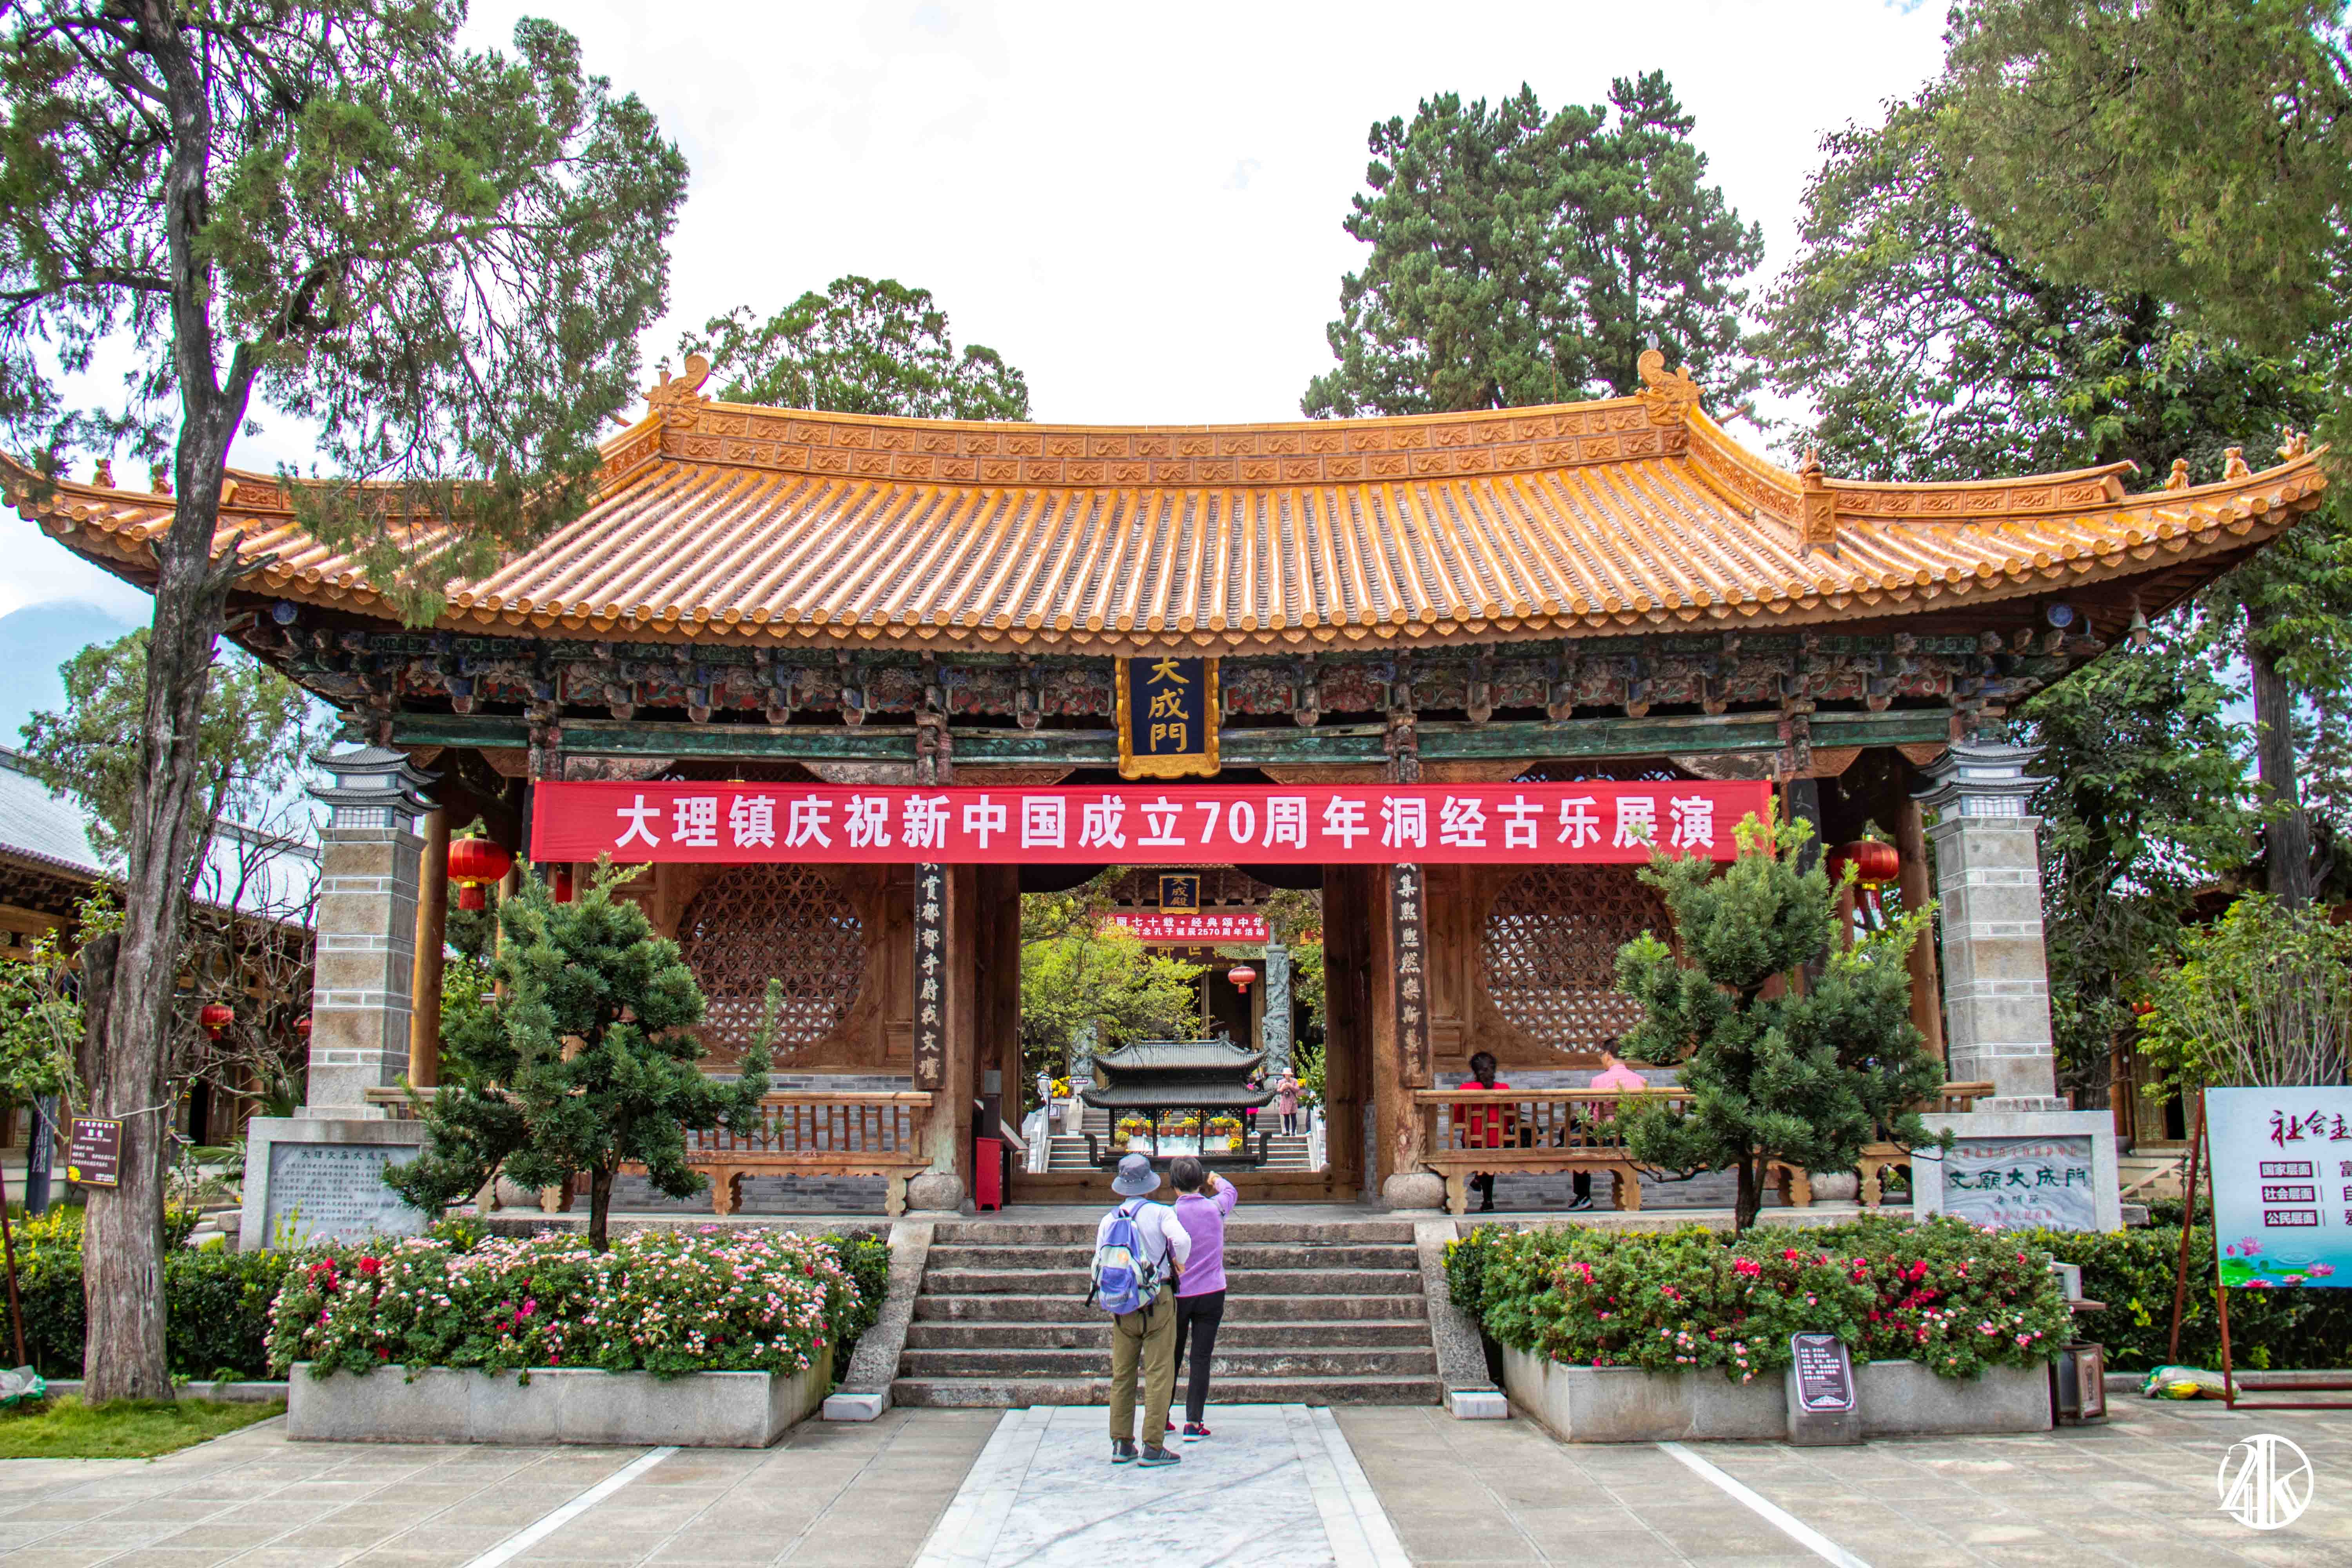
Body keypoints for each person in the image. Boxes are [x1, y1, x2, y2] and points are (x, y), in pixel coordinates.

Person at [1096, 1153, 1192, 1466]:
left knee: (1123, 1374)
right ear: (1149, 1184)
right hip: (1158, 1297)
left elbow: (1100, 1260)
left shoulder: (1110, 1220)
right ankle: (1153, 1445)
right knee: (1159, 1372)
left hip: (1123, 1303)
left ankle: (1121, 1443)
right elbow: (1183, 1240)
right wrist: (1179, 1262)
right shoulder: (1161, 1213)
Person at [1167, 1156, 1239, 1439]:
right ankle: (1194, 1422)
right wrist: (1216, 1179)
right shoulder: (1216, 1208)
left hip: (1179, 1293)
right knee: (1201, 1357)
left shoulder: (1169, 1215)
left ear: (1174, 1186)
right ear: (1200, 1183)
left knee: (1170, 1357)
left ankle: (1162, 1417)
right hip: (1212, 1292)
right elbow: (1231, 1192)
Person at [1572, 1042, 1649, 1211]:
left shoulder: (1598, 1081)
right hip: (1632, 1139)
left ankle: (1583, 1196)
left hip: (1604, 1139)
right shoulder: (1641, 1081)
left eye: (1602, 1056)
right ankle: (1633, 1195)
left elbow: (1592, 1115)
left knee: (1579, 1139)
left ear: (1608, 1055)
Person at [1449, 1051, 1513, 1212]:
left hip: (1473, 1142)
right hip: (1499, 1143)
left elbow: (1457, 1119)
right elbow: (1512, 1118)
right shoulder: (1504, 1089)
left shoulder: (1465, 1089)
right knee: (1490, 1154)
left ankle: (1480, 1178)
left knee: (1482, 1153)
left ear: (1475, 1071)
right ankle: (1487, 1199)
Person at [1274, 1069, 1302, 1135]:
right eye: (1287, 1075)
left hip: (1293, 1101)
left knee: (1293, 1116)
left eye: (1289, 1075)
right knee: (1286, 1117)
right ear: (1284, 1075)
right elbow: (1278, 1091)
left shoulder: (1294, 1081)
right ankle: (1287, 1131)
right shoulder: (1281, 1082)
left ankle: (1293, 1132)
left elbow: (1297, 1089)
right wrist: (1283, 1088)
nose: (1288, 1076)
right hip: (1285, 1101)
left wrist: (1291, 1086)